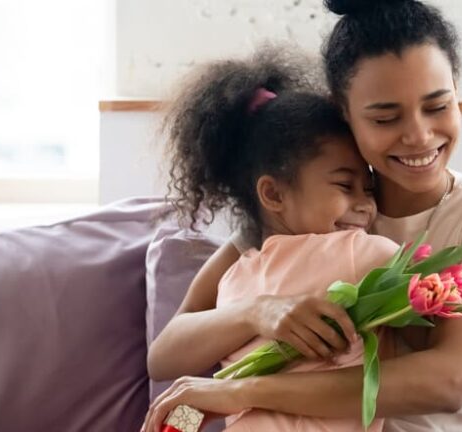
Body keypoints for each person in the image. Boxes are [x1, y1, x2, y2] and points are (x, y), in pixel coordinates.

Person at [144, 1, 462, 431]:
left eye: (437, 106)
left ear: (456, 90)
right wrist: (259, 311)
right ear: (343, 113)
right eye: (385, 116)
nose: (419, 135)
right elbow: (166, 354)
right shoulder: (317, 211)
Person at [146, 48, 405, 431]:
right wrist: (257, 312)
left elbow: (445, 308)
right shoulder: (239, 265)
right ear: (273, 195)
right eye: (344, 185)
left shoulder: (358, 250)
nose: (366, 205)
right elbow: (164, 359)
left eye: (368, 188)